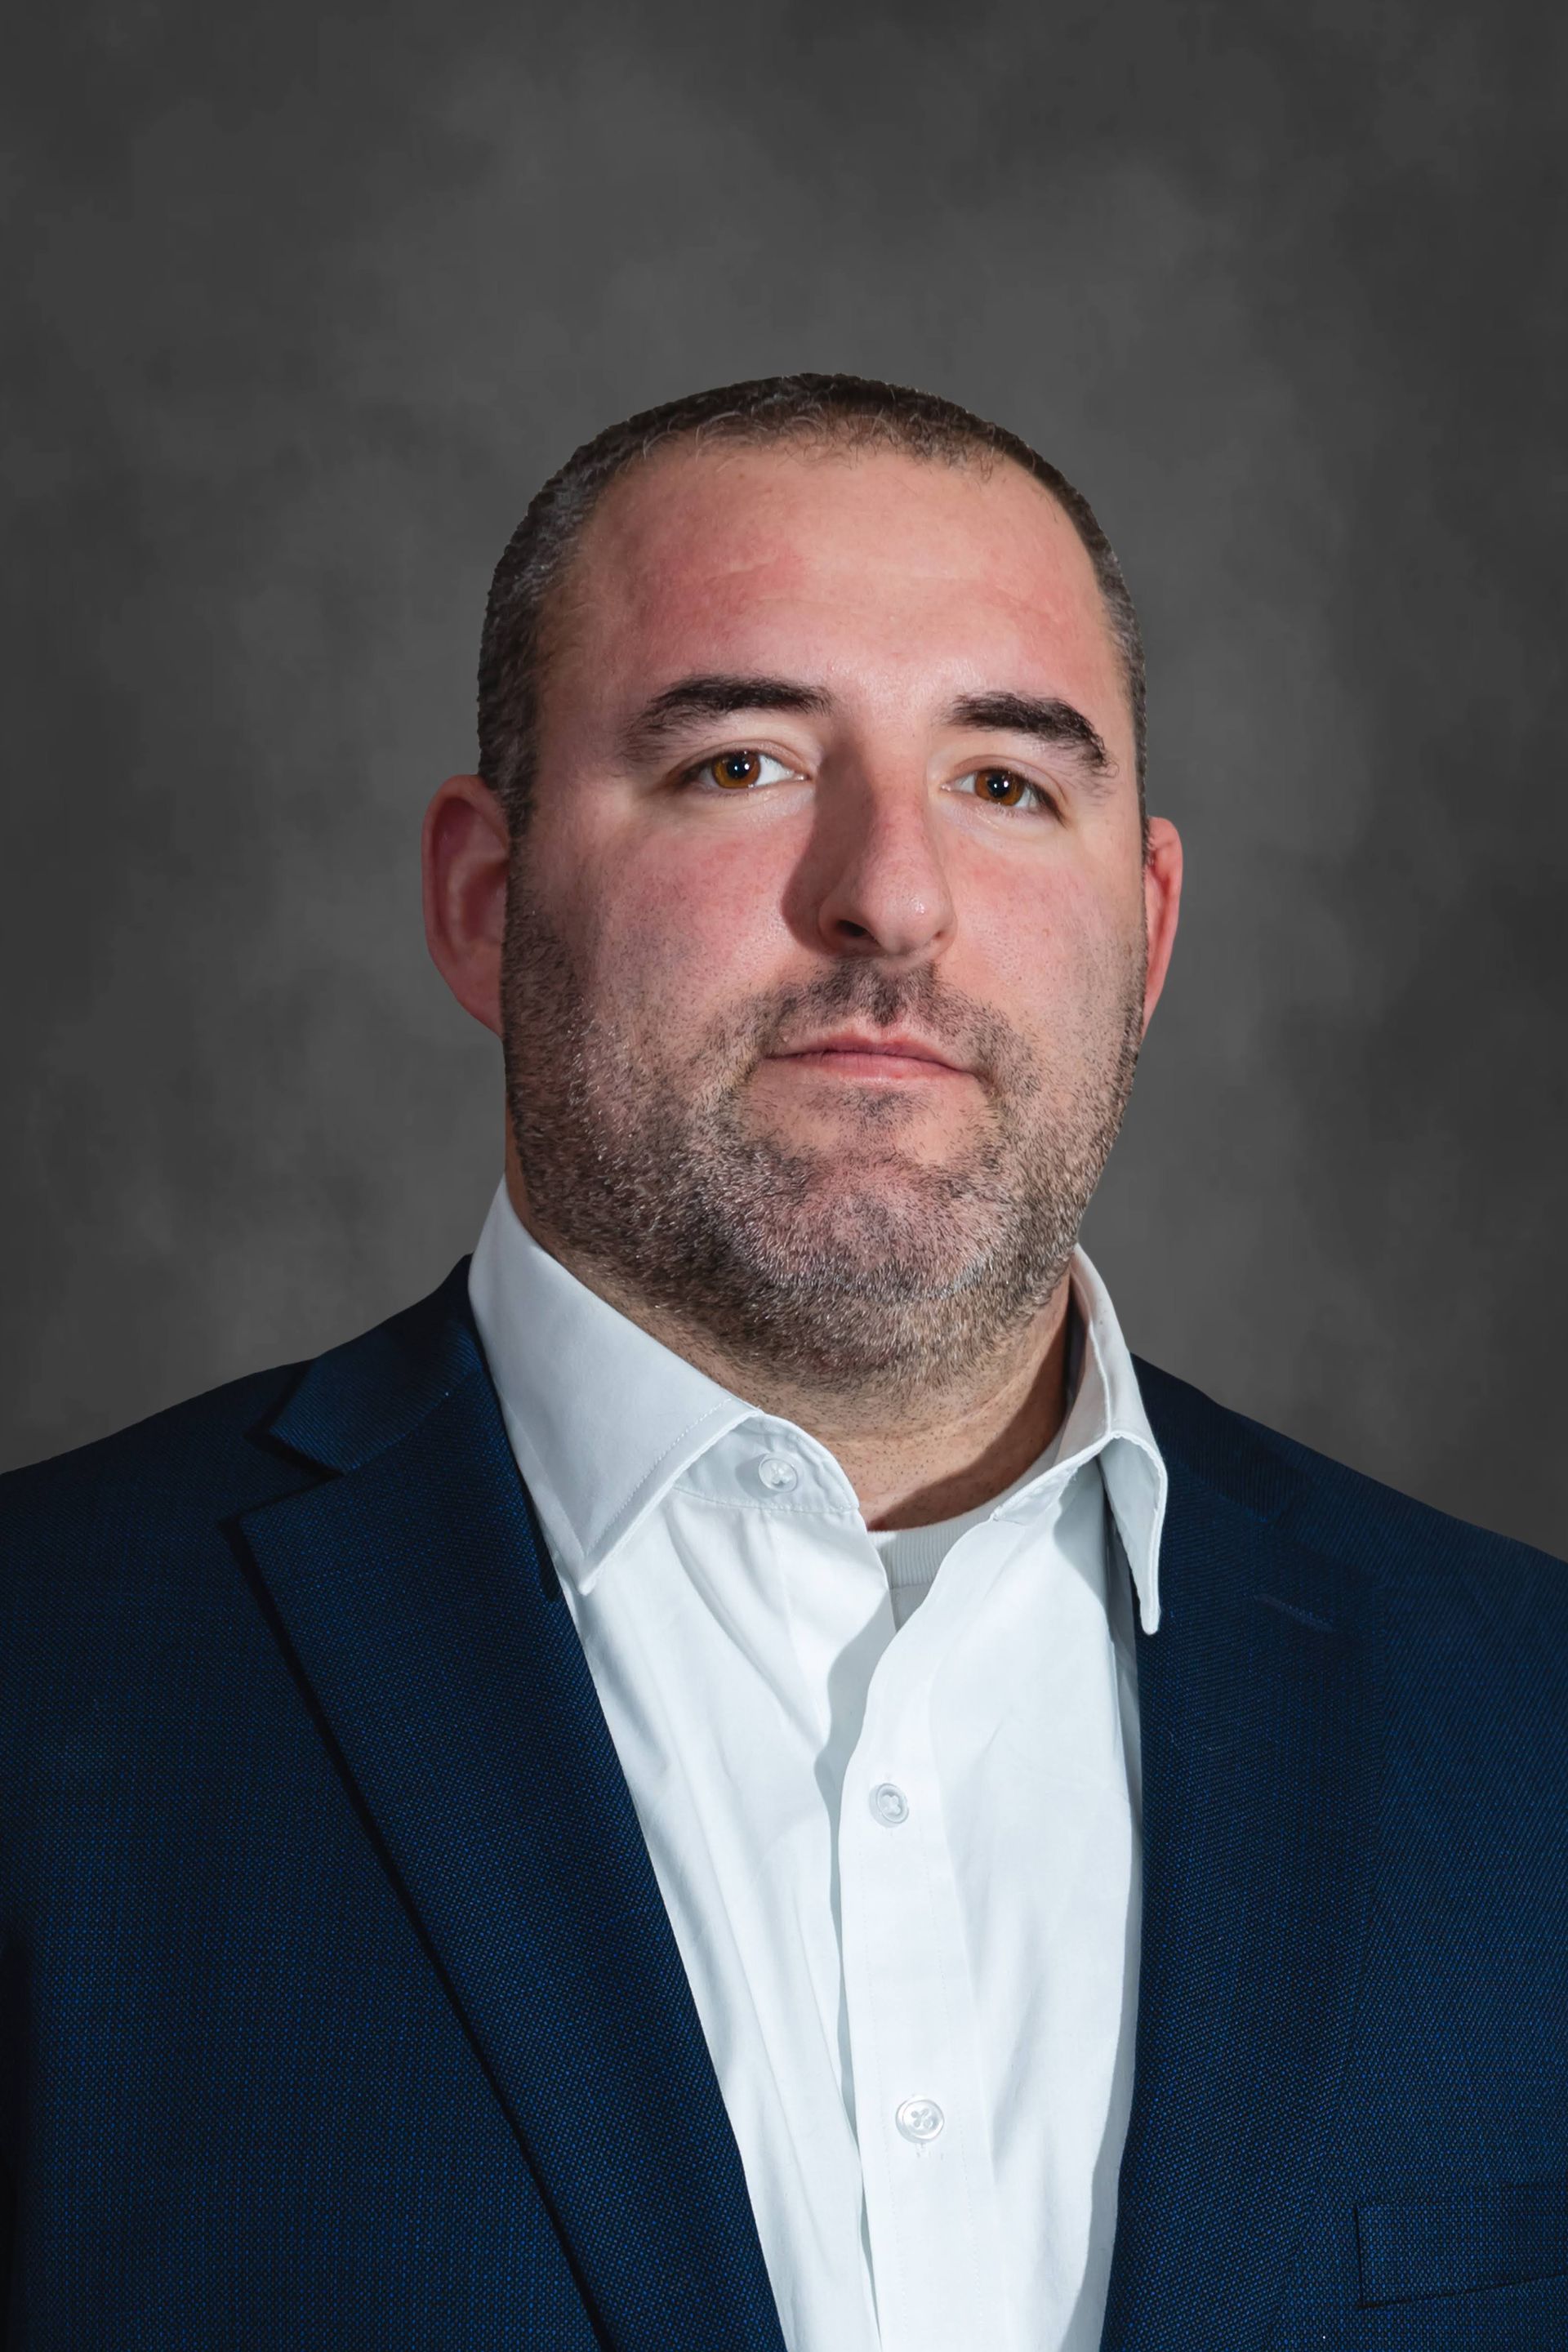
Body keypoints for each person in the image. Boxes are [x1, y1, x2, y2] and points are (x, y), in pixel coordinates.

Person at [2, 374, 1565, 2352]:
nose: (890, 895)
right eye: (741, 763)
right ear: (484, 902)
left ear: (1149, 933)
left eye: (1008, 783)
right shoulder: (46, 1690)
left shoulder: (1532, 1731)